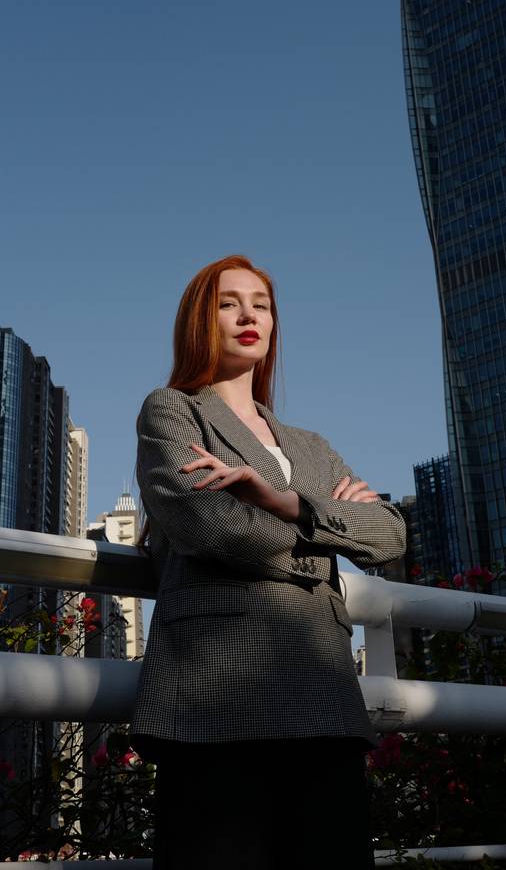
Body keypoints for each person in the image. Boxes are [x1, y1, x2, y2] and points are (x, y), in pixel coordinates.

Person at [130, 254, 407, 869]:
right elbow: (215, 528)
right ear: (200, 321)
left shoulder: (312, 446)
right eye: (228, 304)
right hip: (216, 695)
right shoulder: (173, 410)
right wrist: (328, 541)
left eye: (261, 305)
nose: (248, 316)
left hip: (324, 694)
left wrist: (286, 503)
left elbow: (390, 535)